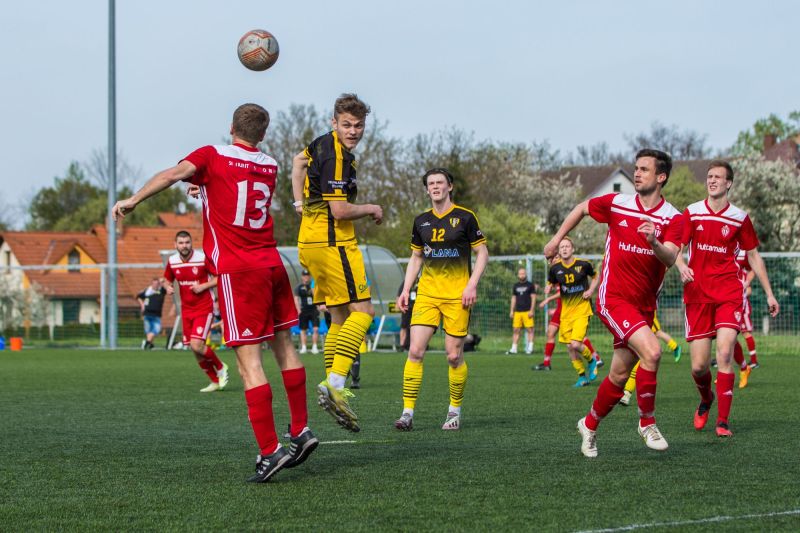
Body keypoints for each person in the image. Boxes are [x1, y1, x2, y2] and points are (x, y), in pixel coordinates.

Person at [112, 103, 318, 483]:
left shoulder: (211, 155)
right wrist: (204, 187)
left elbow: (174, 174)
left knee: (248, 362)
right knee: (285, 347)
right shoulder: (270, 164)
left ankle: (270, 451)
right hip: (273, 263)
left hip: (240, 271)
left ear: (230, 127)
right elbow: (234, 192)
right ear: (264, 134)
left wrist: (133, 199)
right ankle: (301, 429)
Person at [545, 149, 683, 458]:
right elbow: (581, 208)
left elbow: (671, 257)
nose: (636, 174)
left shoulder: (673, 217)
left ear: (661, 177)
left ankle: (589, 424)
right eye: (636, 168)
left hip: (643, 307)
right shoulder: (617, 204)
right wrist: (556, 240)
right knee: (653, 351)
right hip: (613, 298)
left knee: (619, 376)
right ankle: (647, 423)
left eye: (644, 170)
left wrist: (654, 242)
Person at [291, 93, 383, 432]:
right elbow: (340, 210)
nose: (353, 131)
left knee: (340, 317)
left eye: (358, 125)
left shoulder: (318, 144)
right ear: (334, 122)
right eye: (347, 124)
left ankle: (337, 391)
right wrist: (371, 208)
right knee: (365, 314)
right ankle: (335, 383)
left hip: (310, 243)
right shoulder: (338, 156)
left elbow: (297, 163)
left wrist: (298, 202)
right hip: (334, 244)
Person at [675, 160, 779, 437]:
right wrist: (681, 265)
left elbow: (754, 256)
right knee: (698, 367)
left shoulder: (739, 217)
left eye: (718, 177)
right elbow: (677, 247)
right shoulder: (693, 212)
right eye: (709, 176)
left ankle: (722, 420)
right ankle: (706, 398)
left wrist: (769, 293)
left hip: (728, 295)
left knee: (724, 353)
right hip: (697, 295)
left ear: (729, 183)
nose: (712, 181)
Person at [394, 167, 489, 431]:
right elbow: (416, 258)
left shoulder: (465, 218)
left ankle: (454, 411)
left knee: (453, 356)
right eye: (431, 183)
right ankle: (407, 413)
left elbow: (482, 253)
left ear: (450, 186)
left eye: (440, 182)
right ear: (427, 189)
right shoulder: (420, 221)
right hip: (426, 294)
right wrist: (405, 290)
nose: (435, 186)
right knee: (414, 351)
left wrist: (472, 284)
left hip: (457, 296)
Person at [163, 230, 229, 392]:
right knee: (194, 349)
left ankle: (221, 367)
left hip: (204, 307)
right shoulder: (172, 261)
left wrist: (203, 286)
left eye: (187, 242)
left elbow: (219, 277)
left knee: (196, 344)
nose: (184, 246)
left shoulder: (202, 258)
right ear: (175, 245)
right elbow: (166, 279)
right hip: (186, 310)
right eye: (181, 243)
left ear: (191, 243)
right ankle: (214, 381)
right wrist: (168, 287)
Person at [547, 238, 601, 387]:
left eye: (567, 246)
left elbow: (595, 276)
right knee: (570, 347)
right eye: (562, 247)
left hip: (582, 310)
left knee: (576, 344)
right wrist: (549, 286)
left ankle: (592, 360)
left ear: (572, 249)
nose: (564, 249)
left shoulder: (583, 264)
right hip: (566, 313)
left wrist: (591, 290)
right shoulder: (555, 268)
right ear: (559, 251)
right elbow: (551, 280)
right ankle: (582, 377)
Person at [533, 261, 602, 372]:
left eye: (554, 258)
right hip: (561, 309)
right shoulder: (555, 272)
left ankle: (594, 358)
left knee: (576, 340)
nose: (552, 261)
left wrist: (548, 299)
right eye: (549, 259)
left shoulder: (569, 270)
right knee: (552, 334)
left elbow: (565, 291)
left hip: (571, 309)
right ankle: (547, 363)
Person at [620, 312, 682, 406]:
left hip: (646, 312)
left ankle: (627, 392)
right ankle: (627, 392)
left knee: (656, 334)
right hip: (635, 313)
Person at [733, 249, 758, 388]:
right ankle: (727, 372)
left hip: (741, 306)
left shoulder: (742, 271)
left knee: (744, 332)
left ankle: (752, 361)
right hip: (725, 299)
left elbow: (755, 267)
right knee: (726, 337)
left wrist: (746, 284)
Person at [507, 268, 537, 354]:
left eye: (523, 273)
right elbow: (513, 298)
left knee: (530, 330)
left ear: (526, 274)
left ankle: (530, 348)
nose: (522, 275)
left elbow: (534, 298)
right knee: (516, 330)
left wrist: (532, 310)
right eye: (520, 274)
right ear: (518, 275)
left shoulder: (530, 285)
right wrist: (511, 311)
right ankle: (514, 348)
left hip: (527, 311)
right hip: (517, 312)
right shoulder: (515, 286)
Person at [137, 278, 168, 350]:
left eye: (157, 284)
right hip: (147, 313)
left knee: (156, 330)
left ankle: (147, 342)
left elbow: (166, 287)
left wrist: (163, 281)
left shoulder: (161, 291)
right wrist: (142, 305)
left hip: (156, 314)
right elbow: (139, 297)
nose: (155, 285)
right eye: (154, 284)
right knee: (149, 330)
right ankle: (150, 344)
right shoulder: (148, 291)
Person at [294, 270, 320, 355]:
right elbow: (296, 299)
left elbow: (317, 295)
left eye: (308, 275)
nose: (306, 277)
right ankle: (304, 347)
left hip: (313, 310)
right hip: (303, 310)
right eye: (304, 276)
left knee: (315, 328)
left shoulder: (313, 286)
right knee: (303, 330)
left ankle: (315, 347)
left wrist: (318, 307)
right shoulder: (299, 287)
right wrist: (298, 310)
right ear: (302, 276)